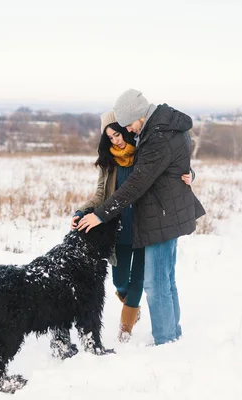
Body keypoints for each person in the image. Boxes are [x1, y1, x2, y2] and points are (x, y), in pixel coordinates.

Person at [77, 89, 205, 346]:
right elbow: (172, 164)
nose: (127, 131)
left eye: (126, 126)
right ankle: (172, 334)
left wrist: (100, 216)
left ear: (138, 116)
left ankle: (165, 339)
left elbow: (138, 182)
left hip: (160, 216)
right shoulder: (165, 127)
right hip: (162, 214)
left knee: (155, 284)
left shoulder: (156, 136)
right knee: (165, 280)